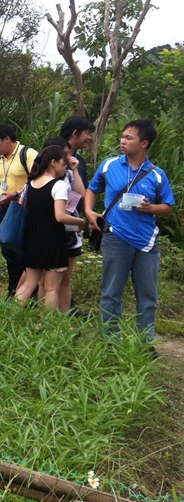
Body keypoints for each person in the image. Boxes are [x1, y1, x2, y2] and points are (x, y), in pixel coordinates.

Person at [85, 119, 175, 343]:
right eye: (122, 136)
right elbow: (92, 189)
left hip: (147, 242)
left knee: (147, 295)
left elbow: (168, 207)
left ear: (144, 143)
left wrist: (150, 208)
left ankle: (146, 342)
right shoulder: (109, 164)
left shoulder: (157, 174)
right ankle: (111, 341)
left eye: (128, 138)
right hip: (115, 236)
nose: (122, 141)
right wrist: (88, 212)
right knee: (111, 292)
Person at [14, 146, 86, 310]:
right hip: (53, 239)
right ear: (53, 163)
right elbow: (60, 217)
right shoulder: (58, 185)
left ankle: (9, 318)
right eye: (63, 163)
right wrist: (80, 221)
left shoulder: (31, 184)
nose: (65, 167)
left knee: (28, 285)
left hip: (33, 238)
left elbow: (24, 208)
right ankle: (49, 327)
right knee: (52, 288)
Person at [0, 124, 38, 298]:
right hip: (5, 208)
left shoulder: (28, 154)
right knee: (7, 248)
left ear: (7, 139)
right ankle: (13, 288)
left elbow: (37, 180)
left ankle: (27, 290)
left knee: (21, 250)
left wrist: (15, 195)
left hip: (23, 208)